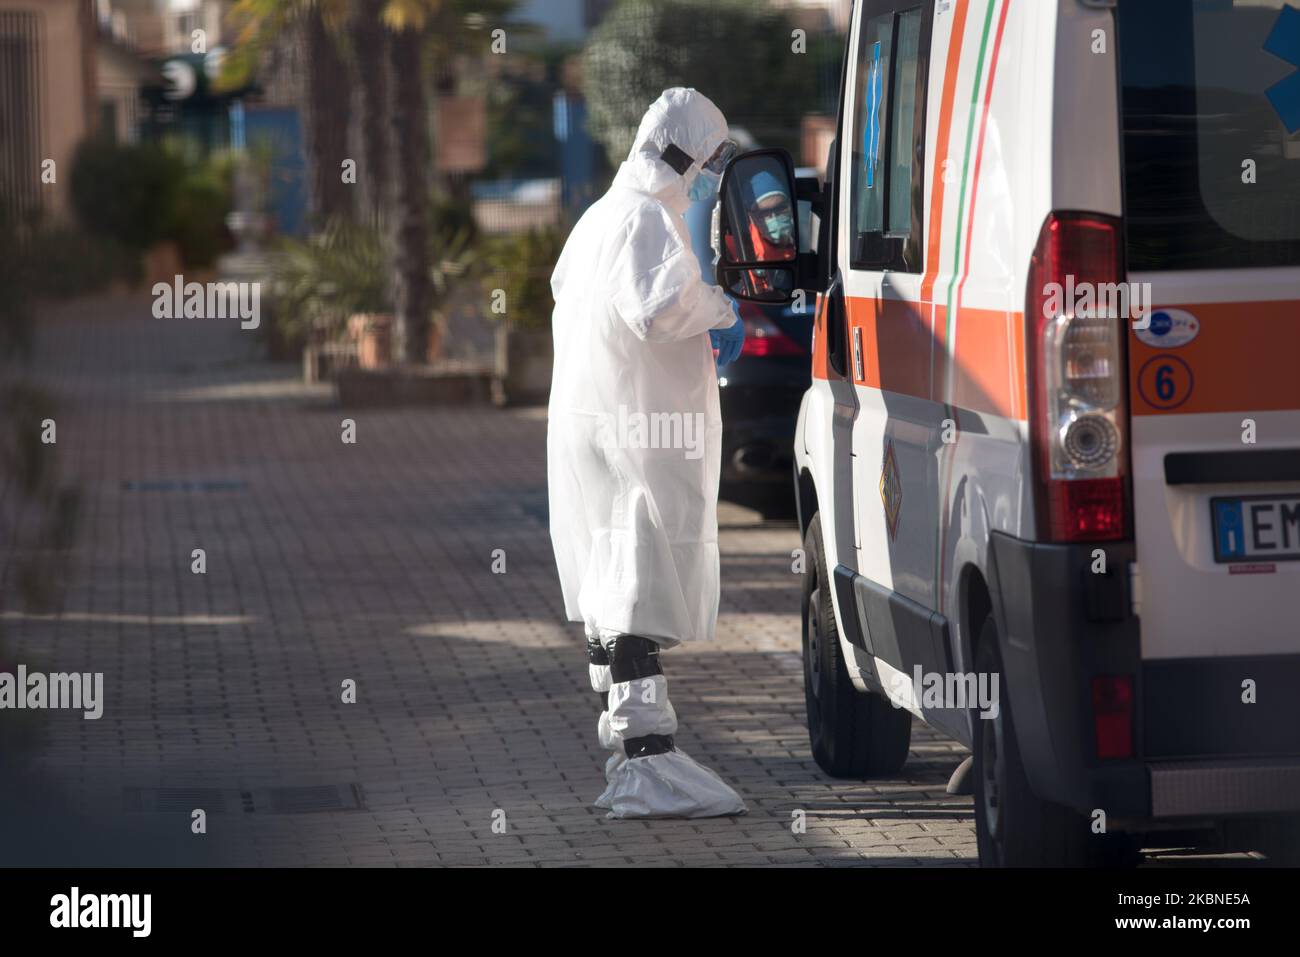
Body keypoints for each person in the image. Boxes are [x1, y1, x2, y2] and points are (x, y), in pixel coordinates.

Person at [547, 88, 747, 819]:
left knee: (612, 584)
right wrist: (722, 309)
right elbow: (658, 309)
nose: (700, 179)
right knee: (633, 586)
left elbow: (567, 293)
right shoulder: (642, 219)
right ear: (681, 155)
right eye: (700, 163)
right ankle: (647, 762)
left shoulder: (602, 214)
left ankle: (632, 755)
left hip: (595, 430)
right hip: (633, 431)